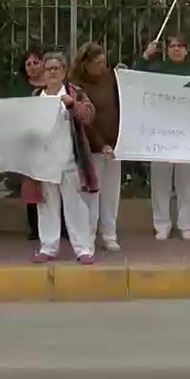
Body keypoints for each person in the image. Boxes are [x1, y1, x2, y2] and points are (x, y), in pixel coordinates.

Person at [25, 52, 101, 264]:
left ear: (64, 71)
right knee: (47, 204)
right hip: (44, 161)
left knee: (75, 205)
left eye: (57, 68)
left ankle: (83, 249)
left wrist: (72, 105)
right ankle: (48, 246)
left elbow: (89, 115)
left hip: (69, 159)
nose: (52, 72)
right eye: (49, 69)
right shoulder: (36, 96)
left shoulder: (73, 92)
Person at [140, 33, 190, 240]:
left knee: (185, 182)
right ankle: (161, 224)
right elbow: (135, 76)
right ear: (167, 49)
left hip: (186, 134)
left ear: (186, 50)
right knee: (160, 181)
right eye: (173, 45)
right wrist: (146, 56)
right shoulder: (157, 68)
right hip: (160, 133)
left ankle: (186, 224)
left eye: (180, 46)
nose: (176, 49)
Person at [71, 42, 122, 253]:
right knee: (92, 193)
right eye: (98, 63)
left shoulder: (111, 78)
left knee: (111, 194)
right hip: (92, 146)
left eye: (104, 62)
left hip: (115, 144)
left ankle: (109, 234)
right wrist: (101, 145)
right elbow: (84, 119)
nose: (103, 67)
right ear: (86, 64)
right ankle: (88, 235)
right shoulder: (76, 85)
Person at [6, 46, 47, 241]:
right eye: (28, 64)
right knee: (31, 183)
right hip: (28, 141)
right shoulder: (19, 87)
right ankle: (35, 227)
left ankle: (61, 226)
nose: (32, 67)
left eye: (35, 62)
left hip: (51, 141)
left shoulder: (54, 85)